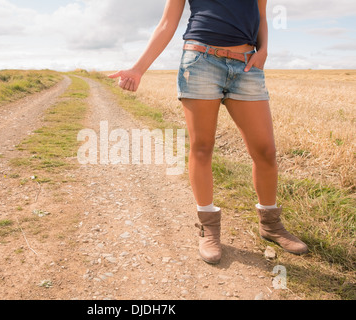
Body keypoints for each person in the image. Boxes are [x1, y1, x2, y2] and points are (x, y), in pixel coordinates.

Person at [109, 0, 308, 264]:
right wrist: (138, 68)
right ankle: (209, 228)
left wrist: (264, 50)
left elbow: (260, 13)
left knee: (265, 150)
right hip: (200, 62)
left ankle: (270, 225)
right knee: (202, 147)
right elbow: (167, 23)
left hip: (247, 66)